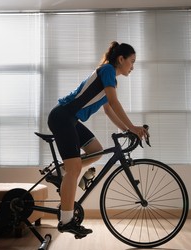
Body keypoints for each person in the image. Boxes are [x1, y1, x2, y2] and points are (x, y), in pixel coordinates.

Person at [47, 41, 149, 237]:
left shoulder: (111, 79)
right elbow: (113, 101)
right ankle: (66, 220)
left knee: (96, 150)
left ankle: (58, 171)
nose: (133, 67)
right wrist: (132, 127)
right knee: (75, 168)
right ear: (121, 59)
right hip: (62, 116)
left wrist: (127, 130)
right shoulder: (108, 70)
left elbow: (109, 110)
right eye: (132, 62)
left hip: (71, 119)